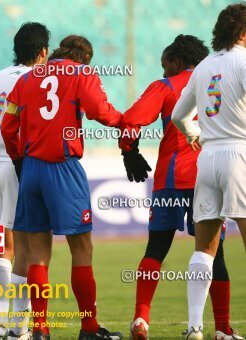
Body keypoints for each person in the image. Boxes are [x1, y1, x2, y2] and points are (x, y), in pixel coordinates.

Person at [1, 35, 123, 340]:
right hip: (63, 167)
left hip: (30, 169)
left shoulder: (27, 79)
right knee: (81, 248)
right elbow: (100, 111)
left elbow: (7, 126)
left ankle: (40, 329)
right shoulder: (82, 73)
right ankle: (89, 327)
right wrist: (127, 123)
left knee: (36, 253)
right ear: (84, 58)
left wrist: (20, 159)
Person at [119, 34, 240, 340]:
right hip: (209, 176)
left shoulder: (166, 86)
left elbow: (131, 120)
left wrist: (129, 150)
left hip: (171, 180)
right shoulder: (217, 79)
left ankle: (140, 319)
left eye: (165, 65)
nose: (163, 72)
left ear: (176, 61)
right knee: (217, 253)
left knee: (156, 249)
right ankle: (222, 328)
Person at [172, 3, 246, 340]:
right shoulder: (243, 61)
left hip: (209, 156)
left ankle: (194, 328)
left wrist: (193, 134)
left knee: (204, 248)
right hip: (238, 154)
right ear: (243, 32)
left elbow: (177, 115)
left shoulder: (203, 66)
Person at [0, 22, 50, 340]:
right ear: (42, 53)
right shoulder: (34, 79)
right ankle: (19, 327)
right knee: (21, 247)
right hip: (15, 164)